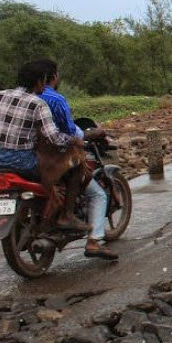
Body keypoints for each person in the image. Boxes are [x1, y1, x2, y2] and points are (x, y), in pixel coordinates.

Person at [0, 61, 89, 233]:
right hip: (23, 162)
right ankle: (67, 215)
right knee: (75, 164)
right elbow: (54, 137)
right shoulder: (37, 104)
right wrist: (73, 141)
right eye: (44, 81)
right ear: (39, 81)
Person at [36, 59, 117, 260]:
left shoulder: (20, 98)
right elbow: (70, 132)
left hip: (29, 159)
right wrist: (93, 133)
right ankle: (92, 241)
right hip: (56, 158)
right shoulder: (54, 99)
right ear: (51, 77)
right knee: (97, 193)